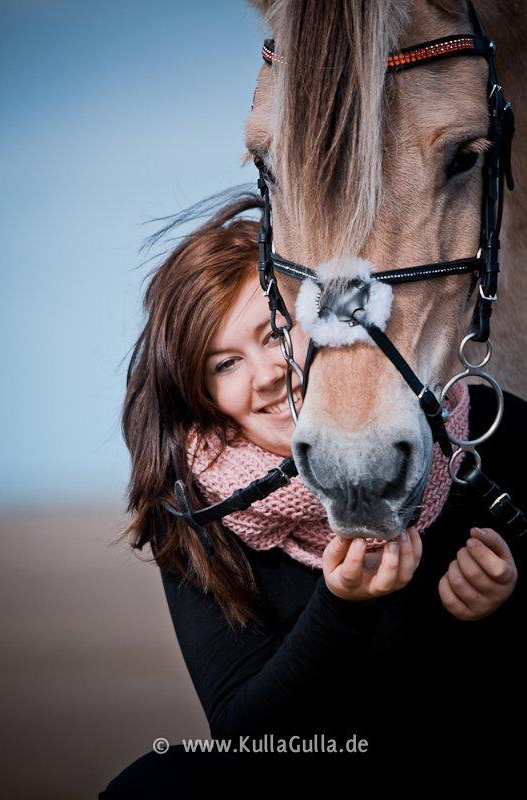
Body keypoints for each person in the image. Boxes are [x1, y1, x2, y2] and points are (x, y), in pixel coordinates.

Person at [99, 193, 526, 797]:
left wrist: (505, 606)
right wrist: (342, 606)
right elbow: (245, 737)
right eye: (225, 364)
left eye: (274, 333)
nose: (266, 375)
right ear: (201, 396)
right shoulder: (197, 511)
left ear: (331, 319)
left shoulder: (485, 427)